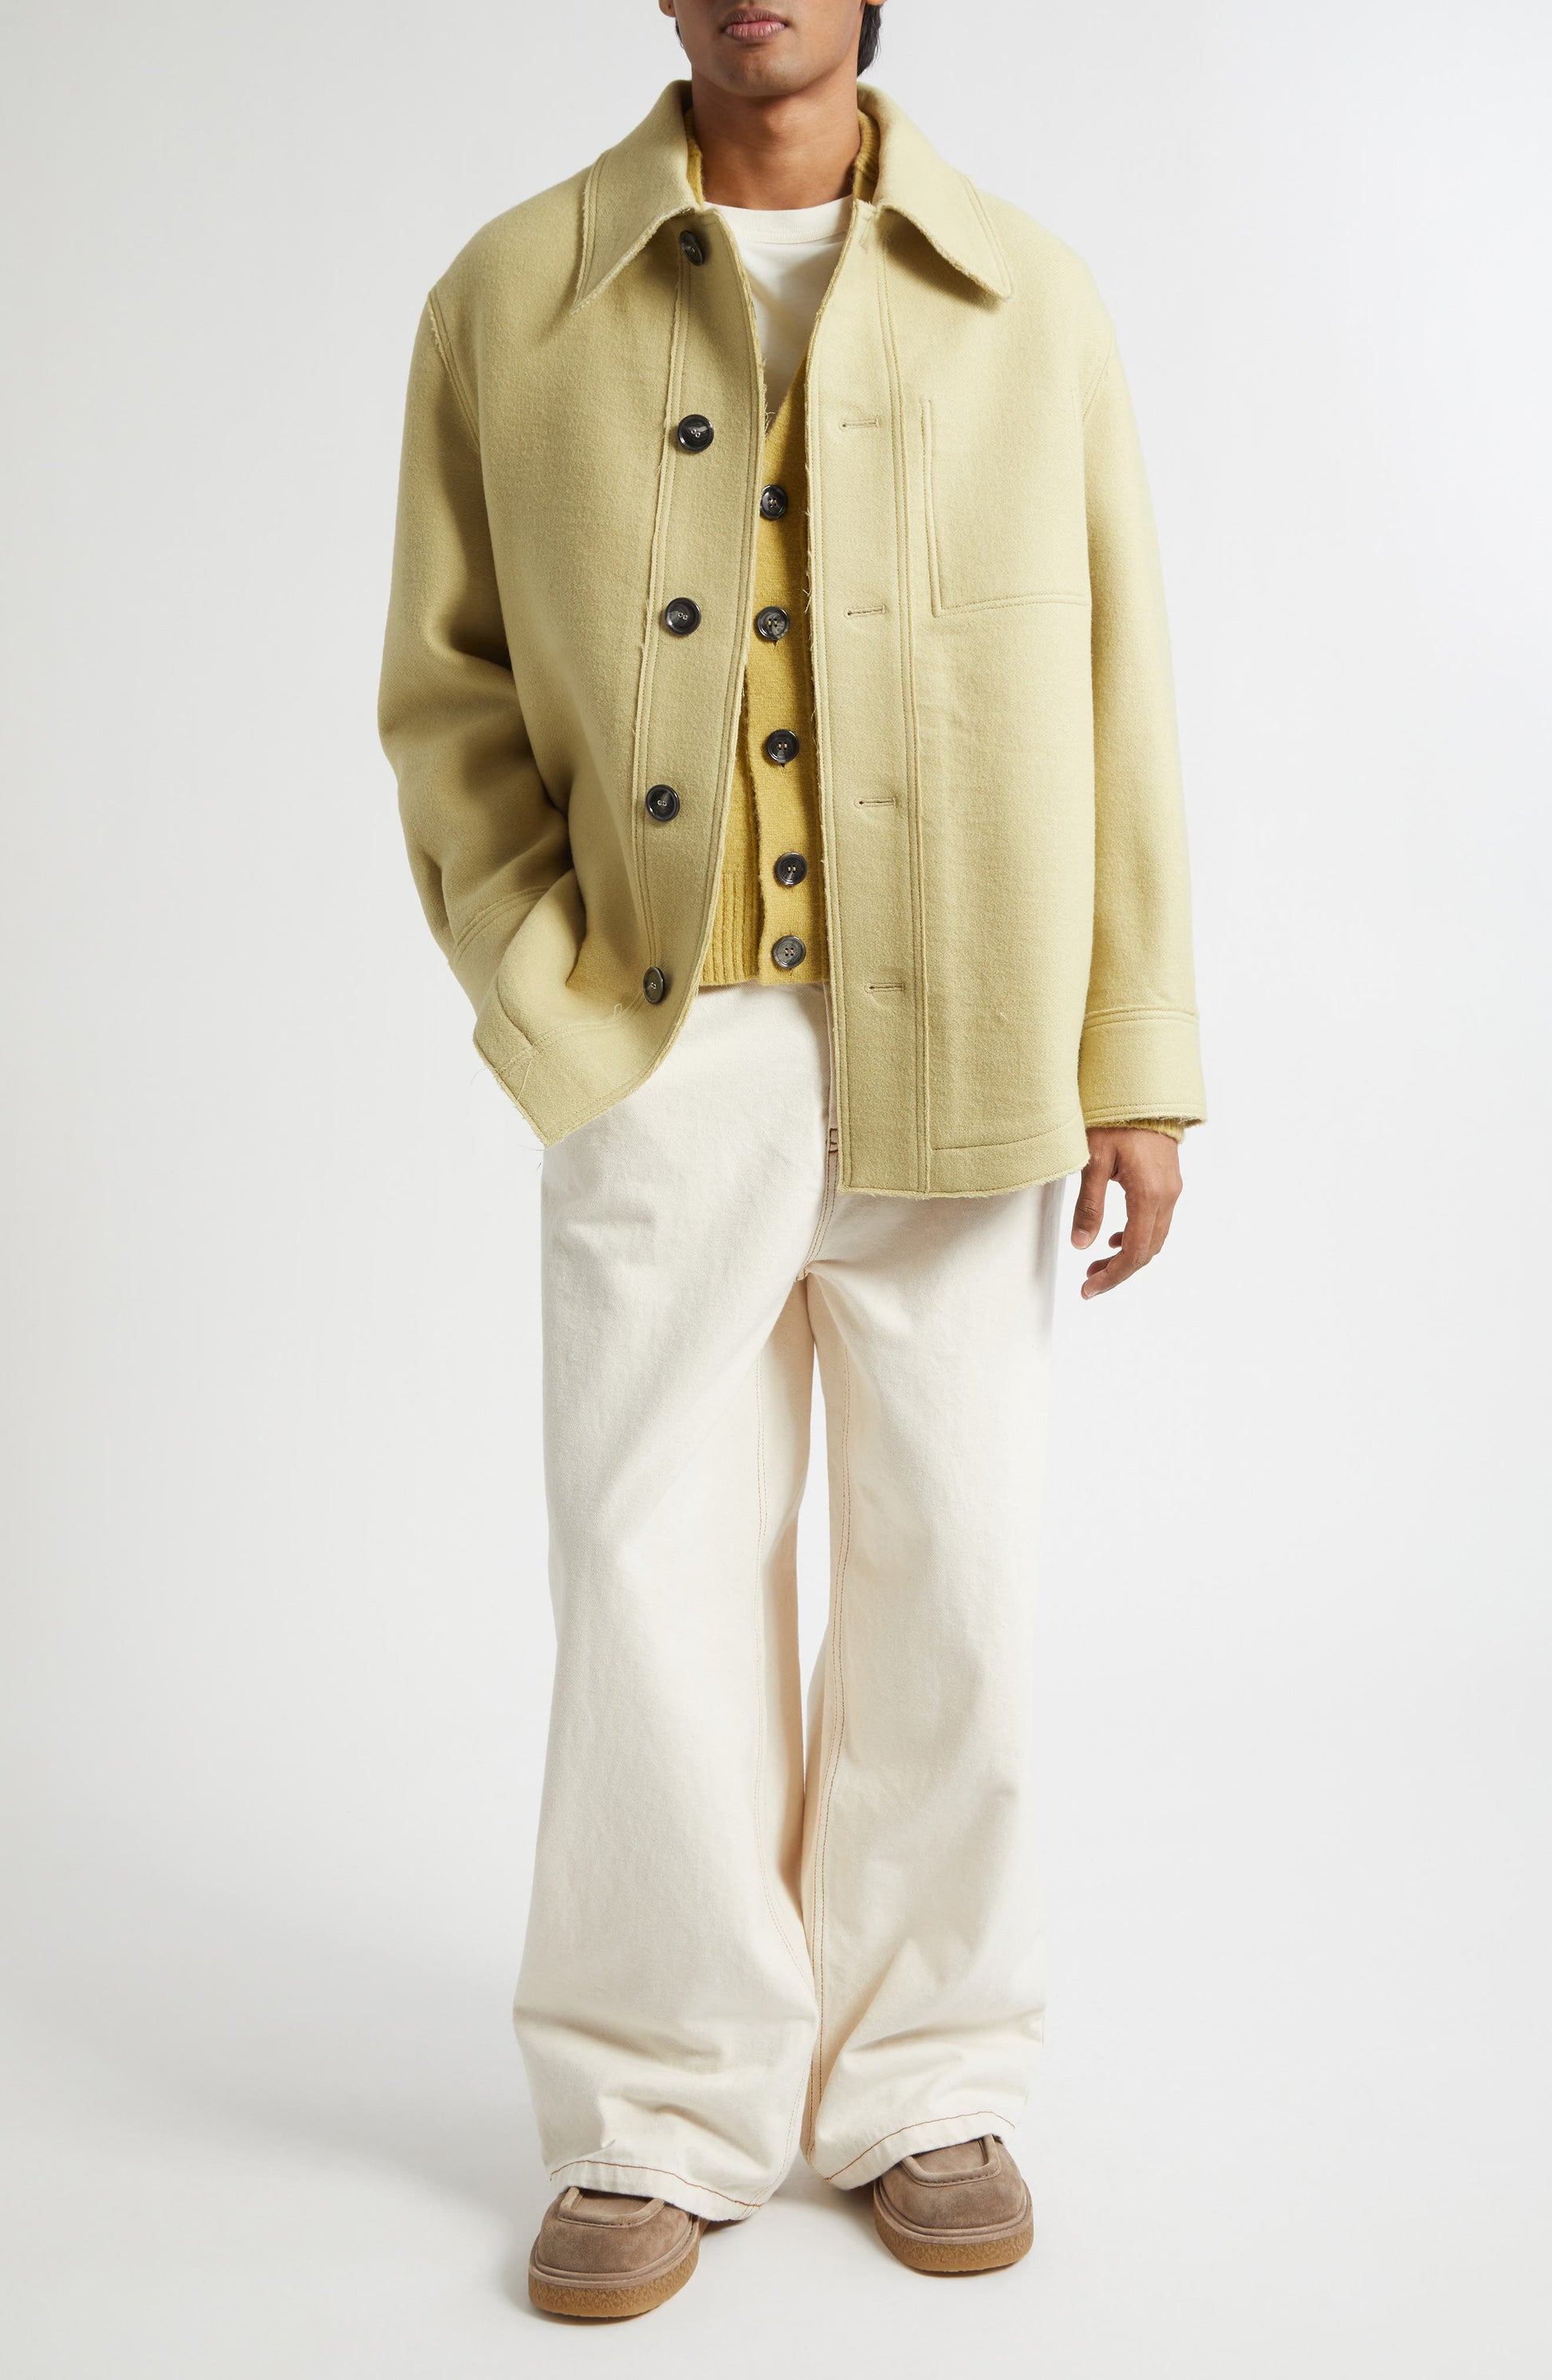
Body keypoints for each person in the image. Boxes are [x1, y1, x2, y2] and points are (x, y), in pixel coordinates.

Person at [379, 0, 1204, 2321]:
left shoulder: (1028, 294)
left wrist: (1136, 1053)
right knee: (646, 1561)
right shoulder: (509, 293)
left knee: (958, 1564)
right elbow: (445, 691)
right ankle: (656, 2111)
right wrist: (548, 986)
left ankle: (927, 2080)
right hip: (668, 1041)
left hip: (972, 1021)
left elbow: (1124, 681)